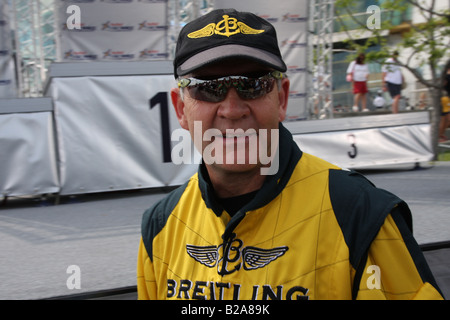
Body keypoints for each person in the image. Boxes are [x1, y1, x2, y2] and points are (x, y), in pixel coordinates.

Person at [137, 8, 443, 300]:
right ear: (181, 109)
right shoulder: (160, 226)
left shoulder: (360, 215)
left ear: (281, 99)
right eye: (208, 89)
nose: (232, 110)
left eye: (253, 85)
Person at [439, 60, 450, 143]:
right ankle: (439, 135)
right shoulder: (446, 76)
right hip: (445, 99)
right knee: (445, 118)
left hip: (447, 99)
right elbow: (441, 85)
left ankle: (441, 135)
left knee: (446, 119)